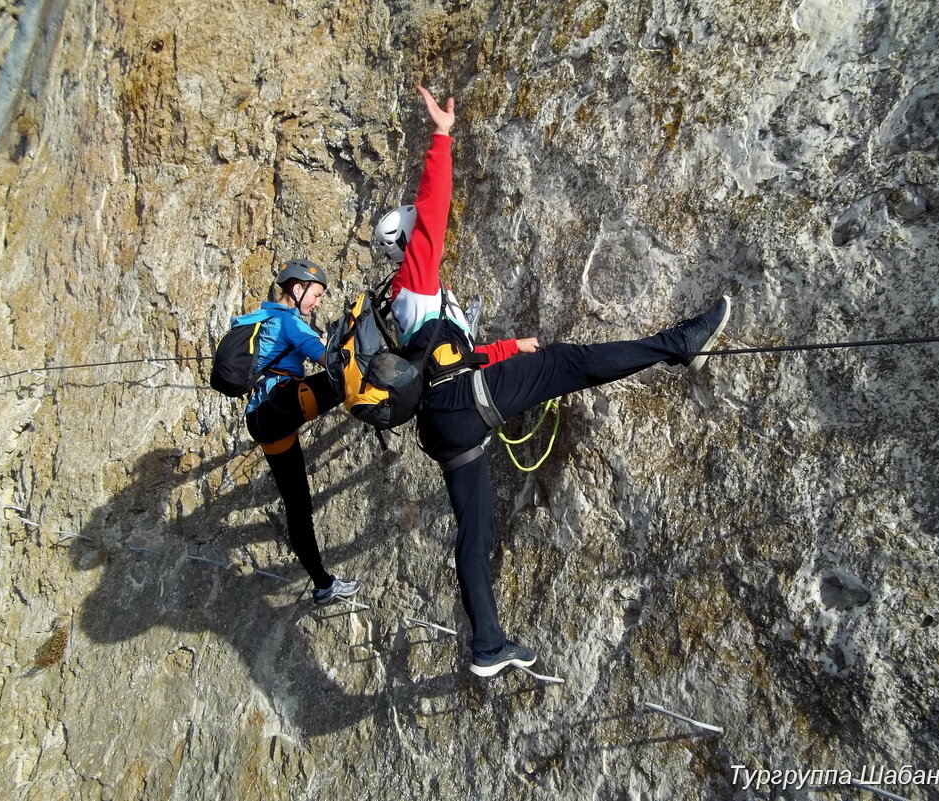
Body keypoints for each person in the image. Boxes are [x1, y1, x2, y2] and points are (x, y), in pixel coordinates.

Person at [372, 87, 731, 676]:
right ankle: (679, 345)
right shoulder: (415, 276)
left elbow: (452, 357)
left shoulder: (406, 304)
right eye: (416, 233)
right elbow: (433, 211)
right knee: (570, 364)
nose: (428, 235)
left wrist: (511, 349)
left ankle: (487, 643)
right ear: (405, 243)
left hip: (444, 424)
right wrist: (442, 138)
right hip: (465, 399)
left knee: (475, 529)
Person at [240, 258, 361, 605]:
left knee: (298, 504)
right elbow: (331, 363)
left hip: (264, 421)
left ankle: (323, 585)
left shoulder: (263, 319)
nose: (318, 302)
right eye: (317, 295)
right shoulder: (288, 322)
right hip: (276, 408)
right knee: (342, 381)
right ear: (298, 289)